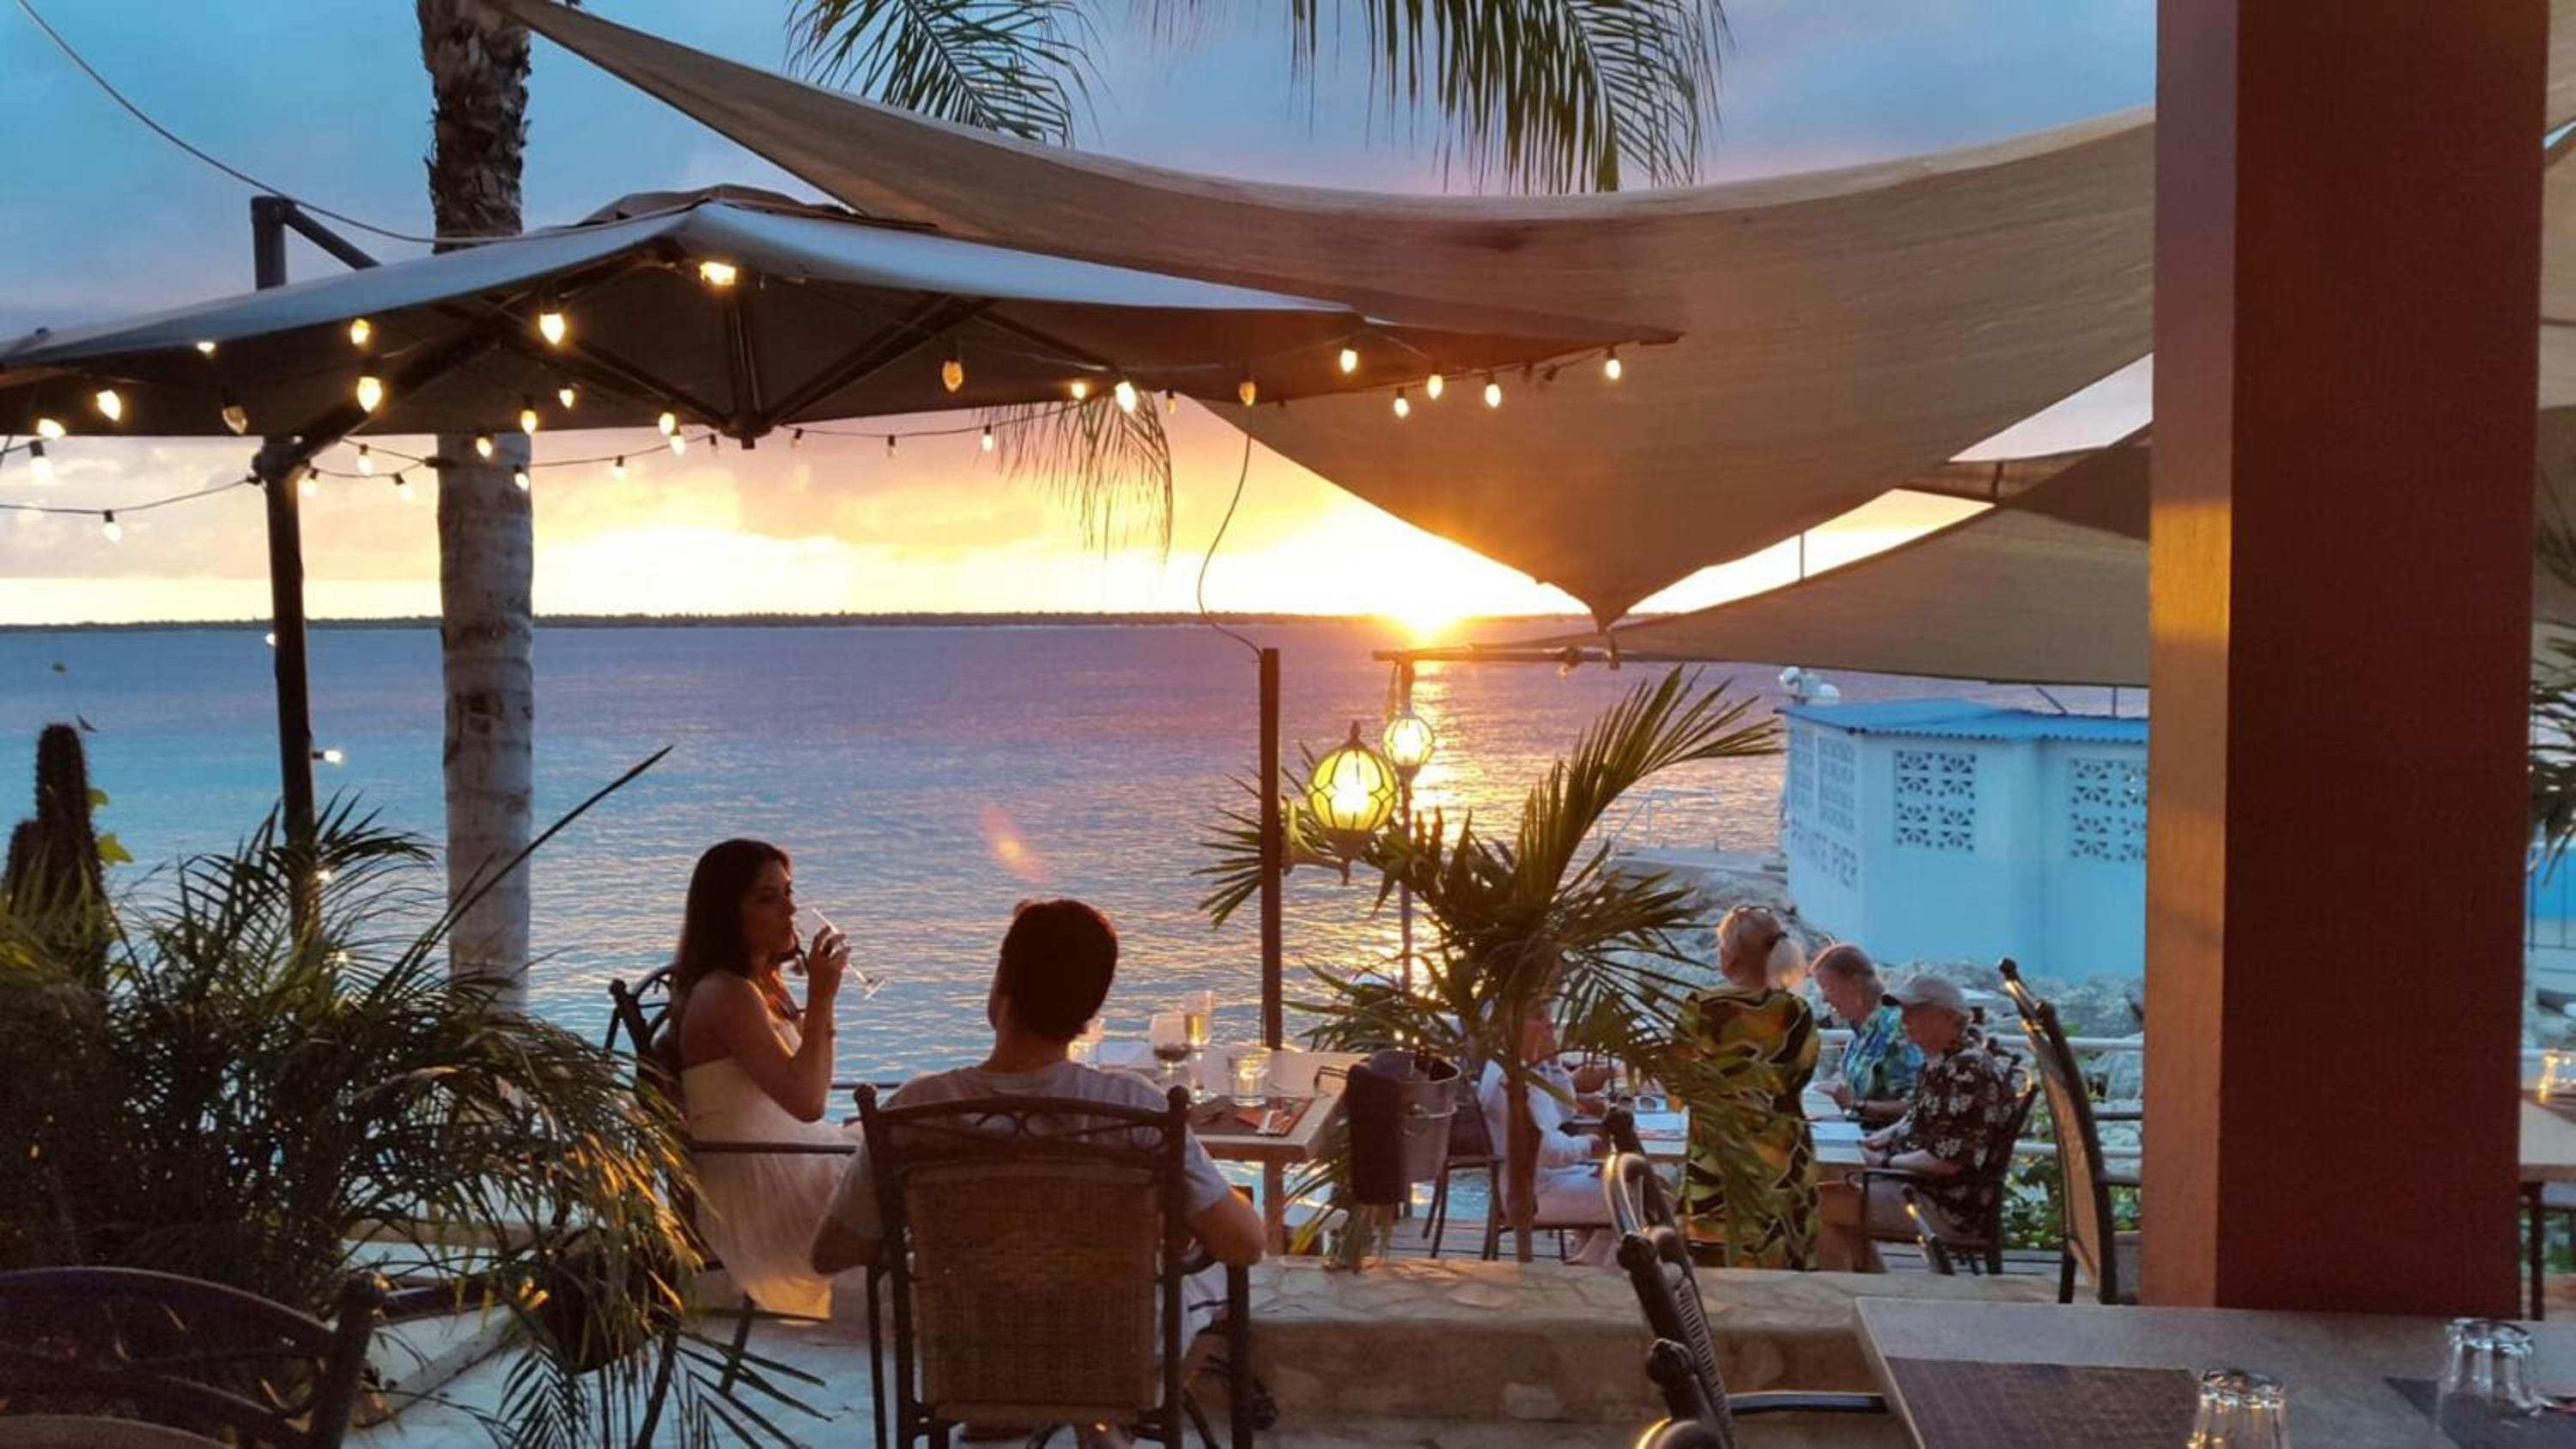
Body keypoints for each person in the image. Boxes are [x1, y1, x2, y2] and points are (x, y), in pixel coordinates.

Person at [810, 894, 1263, 1279]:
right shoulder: (1134, 1108)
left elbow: (832, 1254)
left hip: (962, 1340)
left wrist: (930, 1232)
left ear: (1001, 983)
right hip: (1111, 1343)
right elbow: (1244, 1245)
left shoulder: (916, 1108)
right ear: (1091, 1010)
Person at [665, 838, 862, 1319]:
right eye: (768, 898)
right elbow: (809, 1103)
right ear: (727, 913)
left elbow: (813, 1084)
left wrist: (816, 1008)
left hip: (790, 1161)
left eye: (789, 893)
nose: (791, 910)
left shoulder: (761, 988)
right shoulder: (726, 994)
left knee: (912, 1125)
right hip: (765, 1196)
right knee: (914, 1159)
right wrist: (822, 999)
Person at [1826, 974, 2022, 1267]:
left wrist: (1883, 1161)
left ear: (1948, 1017)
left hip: (1941, 1204)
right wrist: (1882, 1138)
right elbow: (1919, 1117)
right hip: (1916, 1186)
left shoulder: (1967, 1072)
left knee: (1816, 1203)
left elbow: (1948, 1161)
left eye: (1915, 1011)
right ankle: (1866, 1283)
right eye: (1904, 1011)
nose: (1905, 1019)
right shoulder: (1943, 1062)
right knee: (1827, 1185)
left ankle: (1858, 1285)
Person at [1672, 905, 1821, 1270]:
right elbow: (1798, 1077)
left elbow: (1678, 1086)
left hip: (1719, 1155)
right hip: (1782, 1157)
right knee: (1783, 1262)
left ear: (1731, 954)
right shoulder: (1796, 1011)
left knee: (1716, 1264)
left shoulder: (1702, 1007)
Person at [1476, 1006, 1614, 1265]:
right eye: (1538, 1016)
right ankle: (1593, 1270)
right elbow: (1546, 1151)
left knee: (1628, 1184)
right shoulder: (1514, 1081)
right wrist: (1590, 1144)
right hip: (1532, 1194)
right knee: (1646, 1196)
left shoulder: (1516, 1066)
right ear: (1509, 1025)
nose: (1550, 1024)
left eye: (1549, 1016)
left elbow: (1564, 1111)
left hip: (1542, 1180)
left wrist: (1553, 1062)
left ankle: (1586, 1260)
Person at [1811, 943, 1922, 1128]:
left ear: (1855, 984)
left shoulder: (1897, 1030)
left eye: (1828, 988)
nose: (1824, 999)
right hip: (1859, 1132)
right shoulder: (1860, 1031)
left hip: (1886, 1139)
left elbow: (1918, 1106)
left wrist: (1857, 1105)